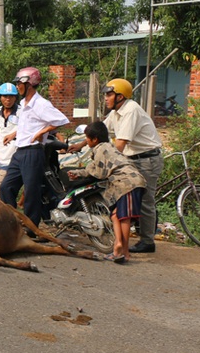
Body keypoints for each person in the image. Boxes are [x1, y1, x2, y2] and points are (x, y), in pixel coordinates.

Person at [67, 121, 146, 263]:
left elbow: (98, 173)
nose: (86, 141)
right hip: (130, 182)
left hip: (128, 182)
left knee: (124, 218)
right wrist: (79, 173)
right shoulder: (107, 147)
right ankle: (119, 245)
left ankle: (123, 251)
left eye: (87, 138)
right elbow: (93, 168)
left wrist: (79, 174)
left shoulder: (100, 149)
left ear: (94, 139)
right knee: (116, 216)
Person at [0, 66, 69, 228]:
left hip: (33, 152)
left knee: (31, 191)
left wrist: (43, 132)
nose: (17, 87)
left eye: (19, 84)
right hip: (20, 152)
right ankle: (13, 221)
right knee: (6, 187)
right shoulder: (24, 103)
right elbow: (28, 125)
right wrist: (14, 134)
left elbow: (62, 120)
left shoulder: (41, 104)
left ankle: (32, 228)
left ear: (29, 84)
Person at [101, 78, 164, 253]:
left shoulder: (130, 111)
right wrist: (80, 144)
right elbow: (100, 130)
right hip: (133, 159)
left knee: (145, 200)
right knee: (127, 197)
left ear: (120, 96)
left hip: (147, 160)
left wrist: (104, 160)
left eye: (109, 94)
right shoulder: (115, 112)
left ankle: (147, 241)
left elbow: (120, 144)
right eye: (105, 94)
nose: (106, 98)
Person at [0, 82, 20, 198]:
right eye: (5, 96)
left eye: (11, 96)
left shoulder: (21, 112)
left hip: (10, 155)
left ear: (15, 98)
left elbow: (29, 128)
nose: (8, 99)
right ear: (0, 97)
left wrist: (14, 134)